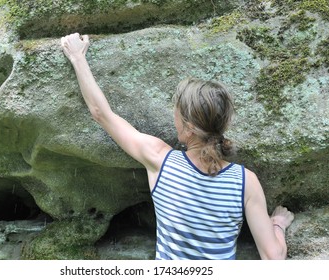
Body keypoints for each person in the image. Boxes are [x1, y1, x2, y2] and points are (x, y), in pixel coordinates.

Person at [61, 33, 295, 260]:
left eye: (176, 110)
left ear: (190, 126)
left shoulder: (160, 160)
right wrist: (278, 224)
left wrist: (78, 58)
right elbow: (274, 258)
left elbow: (101, 113)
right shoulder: (246, 182)